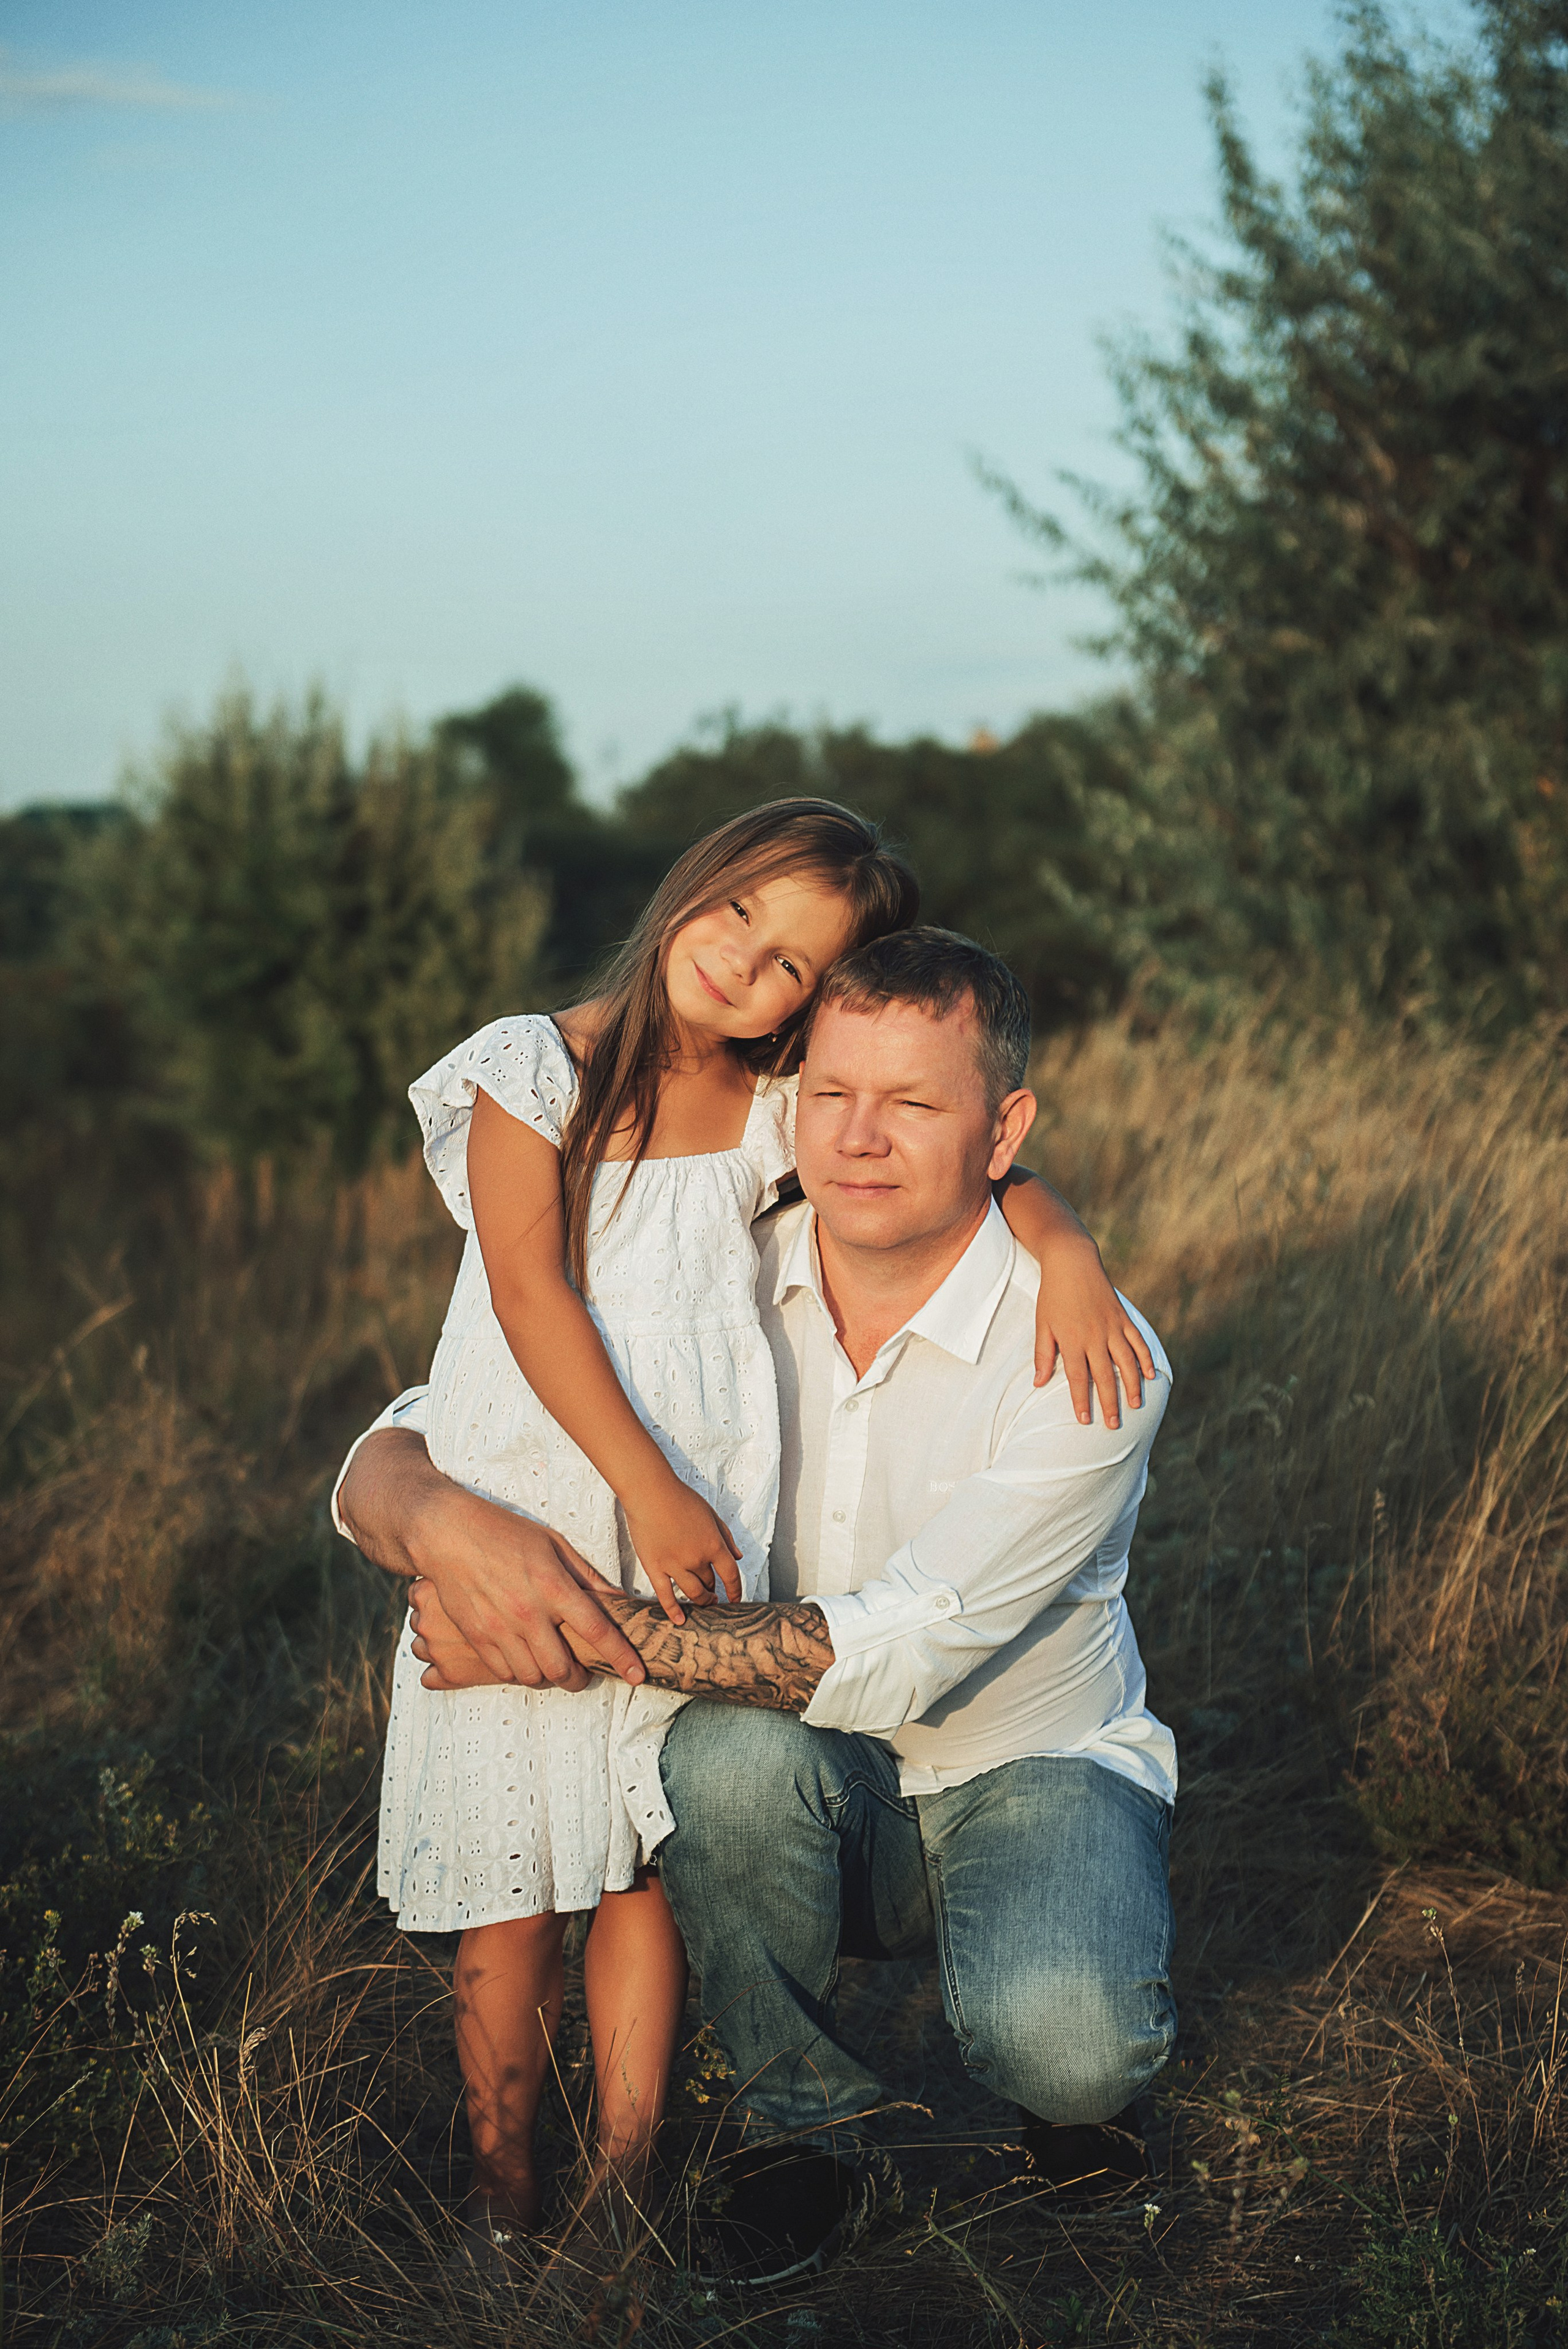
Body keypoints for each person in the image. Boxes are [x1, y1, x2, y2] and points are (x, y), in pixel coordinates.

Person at [363, 824, 1155, 2266]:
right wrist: (409, 1497)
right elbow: (495, 1360)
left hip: (1014, 1760)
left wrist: (1066, 1244)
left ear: (998, 1131)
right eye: (835, 1095)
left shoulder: (1087, 1355)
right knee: (677, 1793)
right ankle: (794, 2130)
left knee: (1061, 2039)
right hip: (779, 1729)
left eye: (911, 1104)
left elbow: (898, 1643)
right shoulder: (751, 1247)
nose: (857, 1134)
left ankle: (1058, 2095)